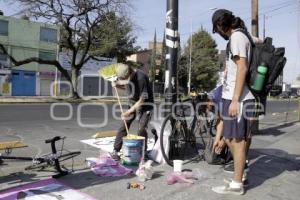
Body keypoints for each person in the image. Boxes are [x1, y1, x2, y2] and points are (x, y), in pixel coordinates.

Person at [211, 9, 257, 195]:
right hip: (232, 96)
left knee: (236, 142)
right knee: (231, 140)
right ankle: (240, 175)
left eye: (217, 29)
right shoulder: (243, 35)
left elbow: (242, 67)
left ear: (222, 25)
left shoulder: (237, 37)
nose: (219, 33)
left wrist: (235, 100)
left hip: (238, 98)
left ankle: (237, 184)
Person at [111, 63, 154, 161]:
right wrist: (116, 85)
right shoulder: (127, 77)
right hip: (132, 102)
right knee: (124, 124)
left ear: (130, 73)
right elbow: (126, 87)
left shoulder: (141, 78)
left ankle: (143, 152)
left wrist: (129, 111)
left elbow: (141, 100)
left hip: (146, 105)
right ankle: (115, 150)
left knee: (141, 128)